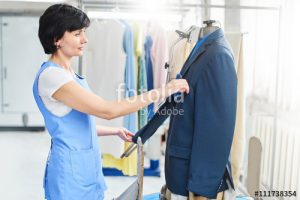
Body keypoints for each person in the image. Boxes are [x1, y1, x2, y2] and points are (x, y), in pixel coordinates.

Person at [33, 3, 189, 200]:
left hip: (85, 168)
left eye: (84, 32)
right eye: (77, 33)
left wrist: (113, 131)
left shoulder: (69, 74)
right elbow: (108, 110)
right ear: (56, 38)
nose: (85, 39)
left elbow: (73, 125)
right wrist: (165, 90)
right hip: (70, 176)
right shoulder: (52, 77)